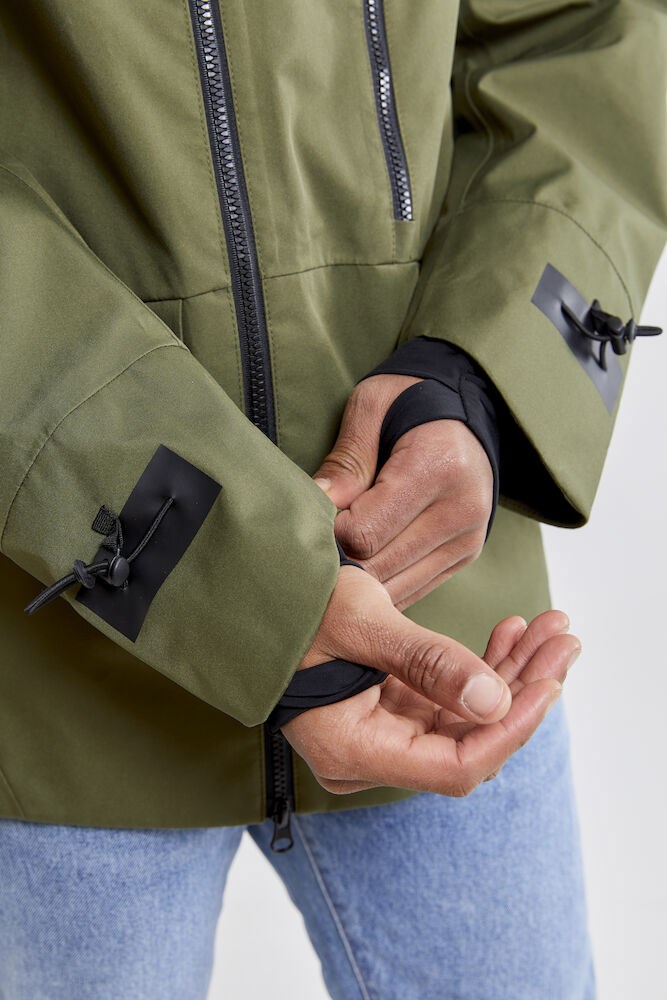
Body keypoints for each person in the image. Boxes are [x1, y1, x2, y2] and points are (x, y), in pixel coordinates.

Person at [0, 1, 665, 997]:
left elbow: (580, 27)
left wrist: (483, 376)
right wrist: (248, 588)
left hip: (435, 615)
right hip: (57, 666)